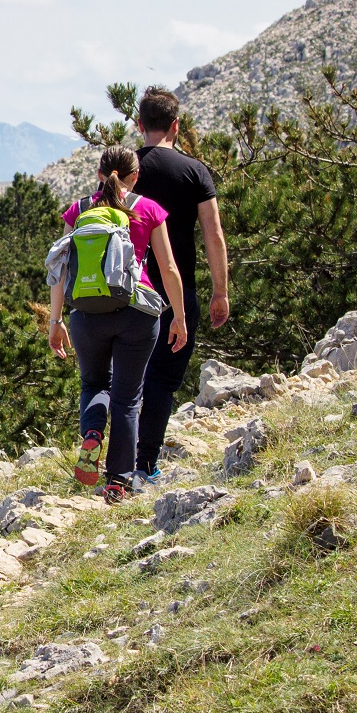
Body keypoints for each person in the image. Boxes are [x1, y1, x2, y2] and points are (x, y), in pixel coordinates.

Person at [47, 145, 190, 504]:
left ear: (99, 174)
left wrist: (55, 320)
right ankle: (118, 482)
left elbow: (61, 269)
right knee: (128, 398)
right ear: (135, 175)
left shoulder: (79, 210)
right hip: (137, 312)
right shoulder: (147, 209)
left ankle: (92, 432)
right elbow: (169, 268)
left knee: (94, 383)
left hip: (86, 315)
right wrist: (179, 316)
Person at [127, 87, 230, 488]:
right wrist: (220, 291)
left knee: (127, 377)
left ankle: (116, 460)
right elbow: (214, 234)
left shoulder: (125, 169)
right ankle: (145, 464)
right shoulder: (194, 171)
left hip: (126, 290)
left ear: (139, 124)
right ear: (176, 125)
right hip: (175, 290)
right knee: (163, 379)